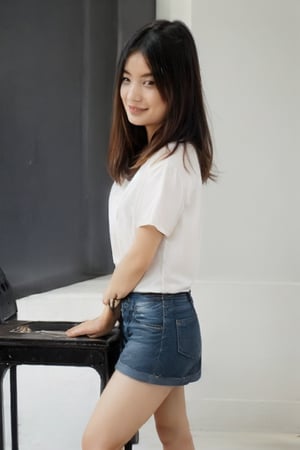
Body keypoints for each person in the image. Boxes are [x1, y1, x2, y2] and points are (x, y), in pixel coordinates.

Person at [66, 19, 214, 450]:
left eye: (149, 82)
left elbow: (139, 255)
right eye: (127, 79)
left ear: (179, 87)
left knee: (98, 441)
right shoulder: (157, 157)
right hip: (159, 316)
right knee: (173, 432)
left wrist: (107, 310)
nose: (133, 95)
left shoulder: (171, 162)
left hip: (160, 319)